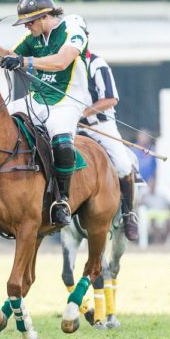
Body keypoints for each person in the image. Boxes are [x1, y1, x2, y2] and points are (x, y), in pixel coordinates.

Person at [0, 0, 91, 225]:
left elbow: (62, 61)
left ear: (44, 16)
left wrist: (25, 62)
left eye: (30, 22)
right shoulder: (34, 37)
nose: (27, 27)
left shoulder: (73, 26)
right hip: (37, 99)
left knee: (61, 142)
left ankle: (62, 200)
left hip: (66, 100)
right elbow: (10, 56)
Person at [50, 14, 137, 240]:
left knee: (123, 166)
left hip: (100, 125)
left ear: (85, 37)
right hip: (70, 125)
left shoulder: (97, 63)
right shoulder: (59, 65)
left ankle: (129, 213)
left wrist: (83, 113)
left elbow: (110, 99)